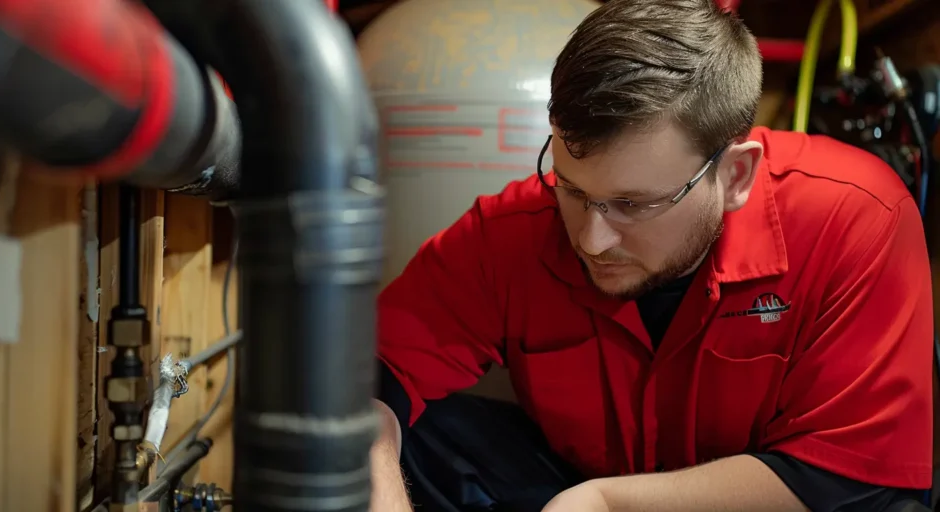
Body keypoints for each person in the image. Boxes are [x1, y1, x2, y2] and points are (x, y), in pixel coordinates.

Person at [370, 0, 934, 511]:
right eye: (572, 189)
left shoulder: (855, 216)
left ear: (735, 175)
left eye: (633, 204)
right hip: (573, 483)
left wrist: (607, 502)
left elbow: (856, 478)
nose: (591, 240)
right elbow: (369, 375)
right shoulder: (515, 229)